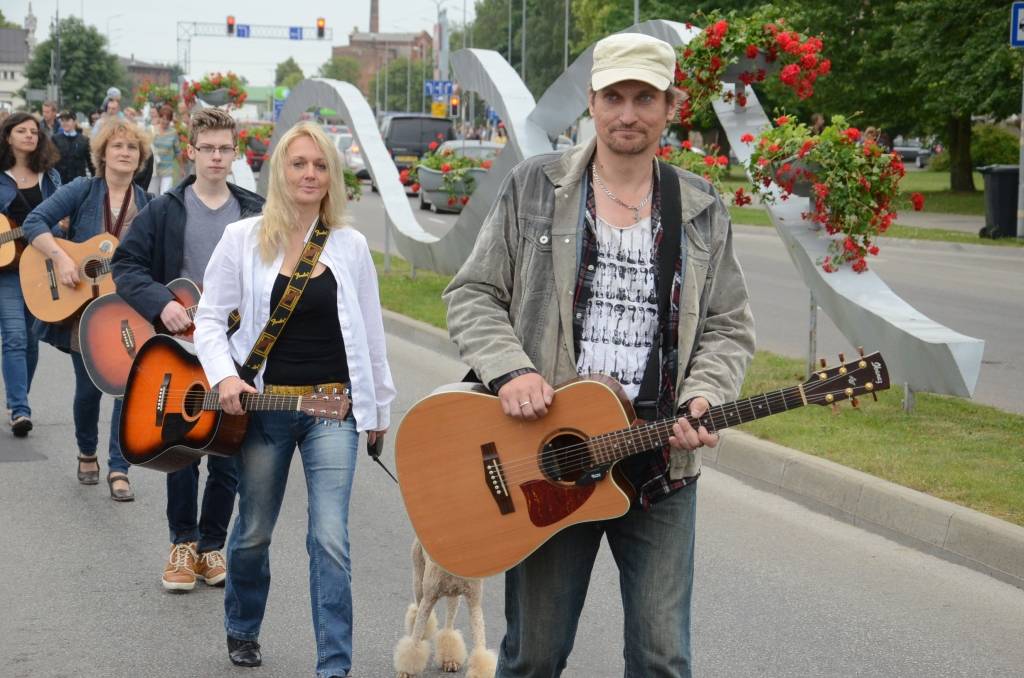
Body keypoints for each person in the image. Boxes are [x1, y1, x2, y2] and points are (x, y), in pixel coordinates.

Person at [443, 32, 755, 678]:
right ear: (591, 102)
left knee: (663, 658)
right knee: (534, 656)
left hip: (660, 466)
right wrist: (511, 370)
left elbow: (728, 325)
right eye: (614, 97)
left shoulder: (699, 206)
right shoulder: (535, 187)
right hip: (548, 460)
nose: (628, 114)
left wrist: (705, 395)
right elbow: (472, 294)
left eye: (645, 98)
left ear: (671, 107)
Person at [193, 121, 395, 677]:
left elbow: (371, 333)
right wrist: (224, 378)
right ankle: (242, 626)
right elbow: (208, 319)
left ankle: (334, 665)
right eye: (299, 163)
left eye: (320, 165)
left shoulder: (350, 246)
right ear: (280, 171)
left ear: (333, 176)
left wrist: (378, 408)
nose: (310, 174)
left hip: (333, 409)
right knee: (254, 532)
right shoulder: (243, 237)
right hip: (263, 411)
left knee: (330, 538)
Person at [112, 108, 264, 591]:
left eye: (224, 149)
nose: (216, 157)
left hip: (240, 350)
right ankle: (182, 542)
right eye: (207, 149)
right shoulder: (165, 209)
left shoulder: (256, 213)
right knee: (181, 446)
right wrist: (162, 304)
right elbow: (126, 265)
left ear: (235, 154)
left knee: (228, 448)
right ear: (191, 151)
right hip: (181, 348)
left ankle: (212, 546)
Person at [23, 120, 152, 500]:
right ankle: (86, 450)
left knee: (126, 389)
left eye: (132, 147)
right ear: (103, 154)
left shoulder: (149, 204)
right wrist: (62, 258)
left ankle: (119, 467)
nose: (125, 152)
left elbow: (160, 255)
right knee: (88, 390)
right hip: (85, 311)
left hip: (128, 310)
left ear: (140, 158)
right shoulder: (82, 189)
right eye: (117, 146)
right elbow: (34, 221)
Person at [0, 113, 61, 437]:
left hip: (41, 266)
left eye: (34, 131)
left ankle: (18, 396)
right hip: (7, 269)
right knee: (14, 336)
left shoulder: (49, 177)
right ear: (8, 137)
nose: (29, 135)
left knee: (32, 338)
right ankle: (20, 409)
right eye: (21, 131)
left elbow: (62, 217)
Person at [52, 111, 93, 183]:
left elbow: (90, 163)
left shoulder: (84, 140)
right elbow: (51, 162)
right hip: (61, 182)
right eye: (62, 120)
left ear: (74, 121)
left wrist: (95, 180)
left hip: (79, 182)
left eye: (67, 120)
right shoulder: (55, 139)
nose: (64, 123)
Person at [148, 105, 180, 195]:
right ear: (159, 117)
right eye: (163, 118)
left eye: (168, 119)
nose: (165, 121)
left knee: (165, 195)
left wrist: (181, 168)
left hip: (167, 169)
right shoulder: (151, 130)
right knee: (152, 194)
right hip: (153, 169)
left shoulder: (173, 132)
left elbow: (177, 151)